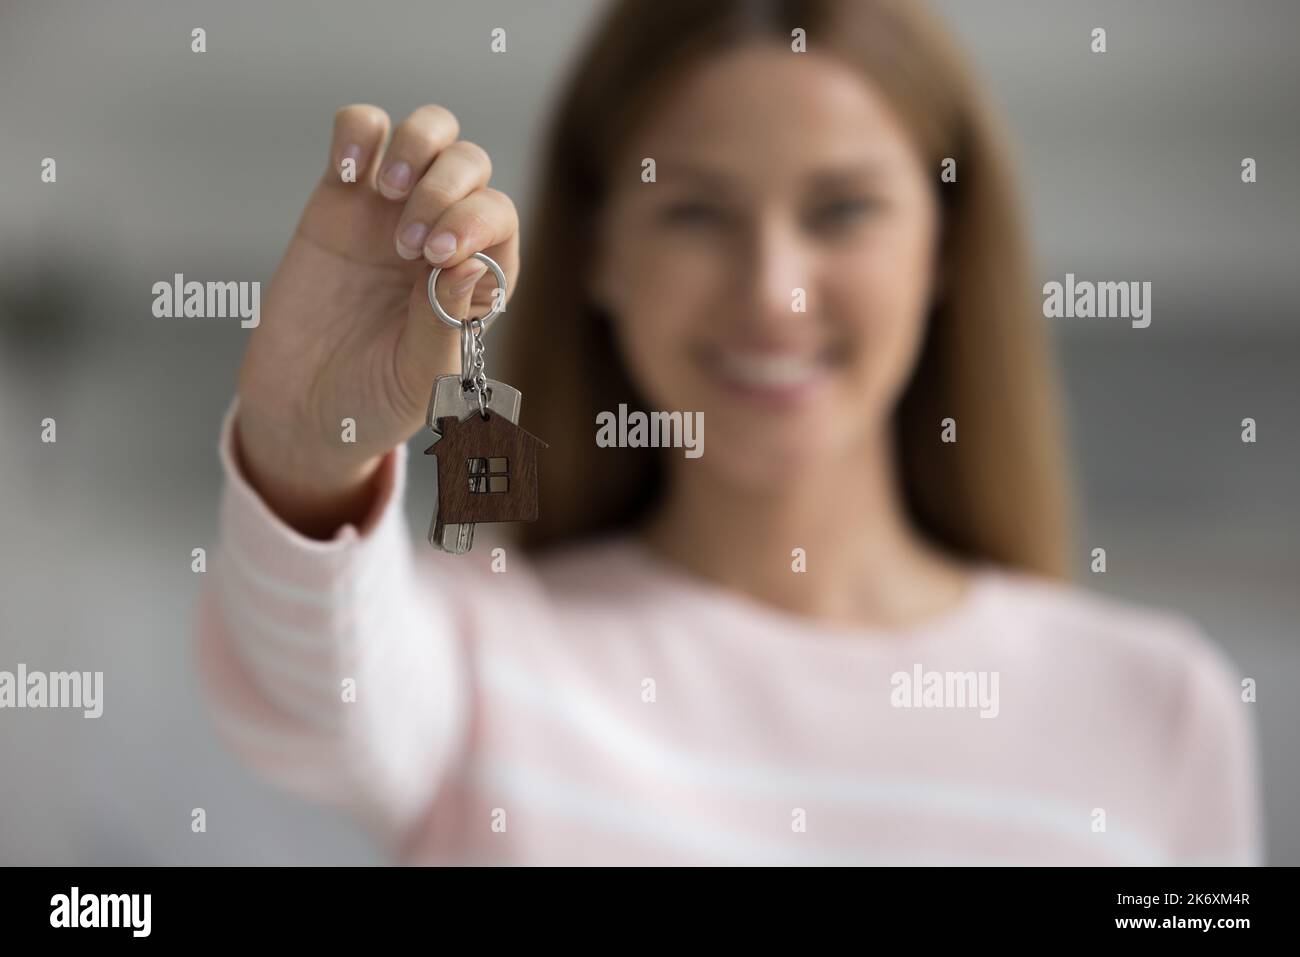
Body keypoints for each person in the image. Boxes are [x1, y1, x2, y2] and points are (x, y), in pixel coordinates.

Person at [197, 0, 1261, 865]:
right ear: (601, 252)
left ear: (943, 246)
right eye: (696, 212)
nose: (774, 294)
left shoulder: (1159, 709)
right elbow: (307, 697)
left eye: (842, 210)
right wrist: (310, 442)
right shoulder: (481, 657)